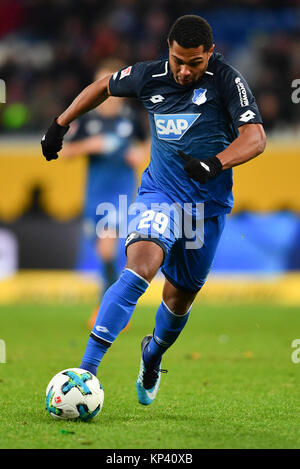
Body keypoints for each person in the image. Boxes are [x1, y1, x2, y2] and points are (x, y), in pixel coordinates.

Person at [41, 15, 266, 406]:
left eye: (194, 63)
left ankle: (152, 356)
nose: (183, 70)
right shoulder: (149, 76)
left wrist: (215, 163)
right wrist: (60, 124)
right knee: (140, 265)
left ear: (209, 53)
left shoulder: (228, 80)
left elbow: (256, 137)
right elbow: (102, 87)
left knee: (179, 297)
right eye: (178, 60)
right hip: (159, 194)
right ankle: (85, 373)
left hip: (205, 208)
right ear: (169, 49)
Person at [61, 59, 148, 328]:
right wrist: (92, 145)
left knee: (108, 247)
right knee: (104, 253)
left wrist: (140, 154)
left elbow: (147, 145)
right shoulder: (87, 120)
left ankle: (106, 308)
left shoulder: (132, 118)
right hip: (95, 195)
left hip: (121, 194)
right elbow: (65, 152)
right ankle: (114, 307)